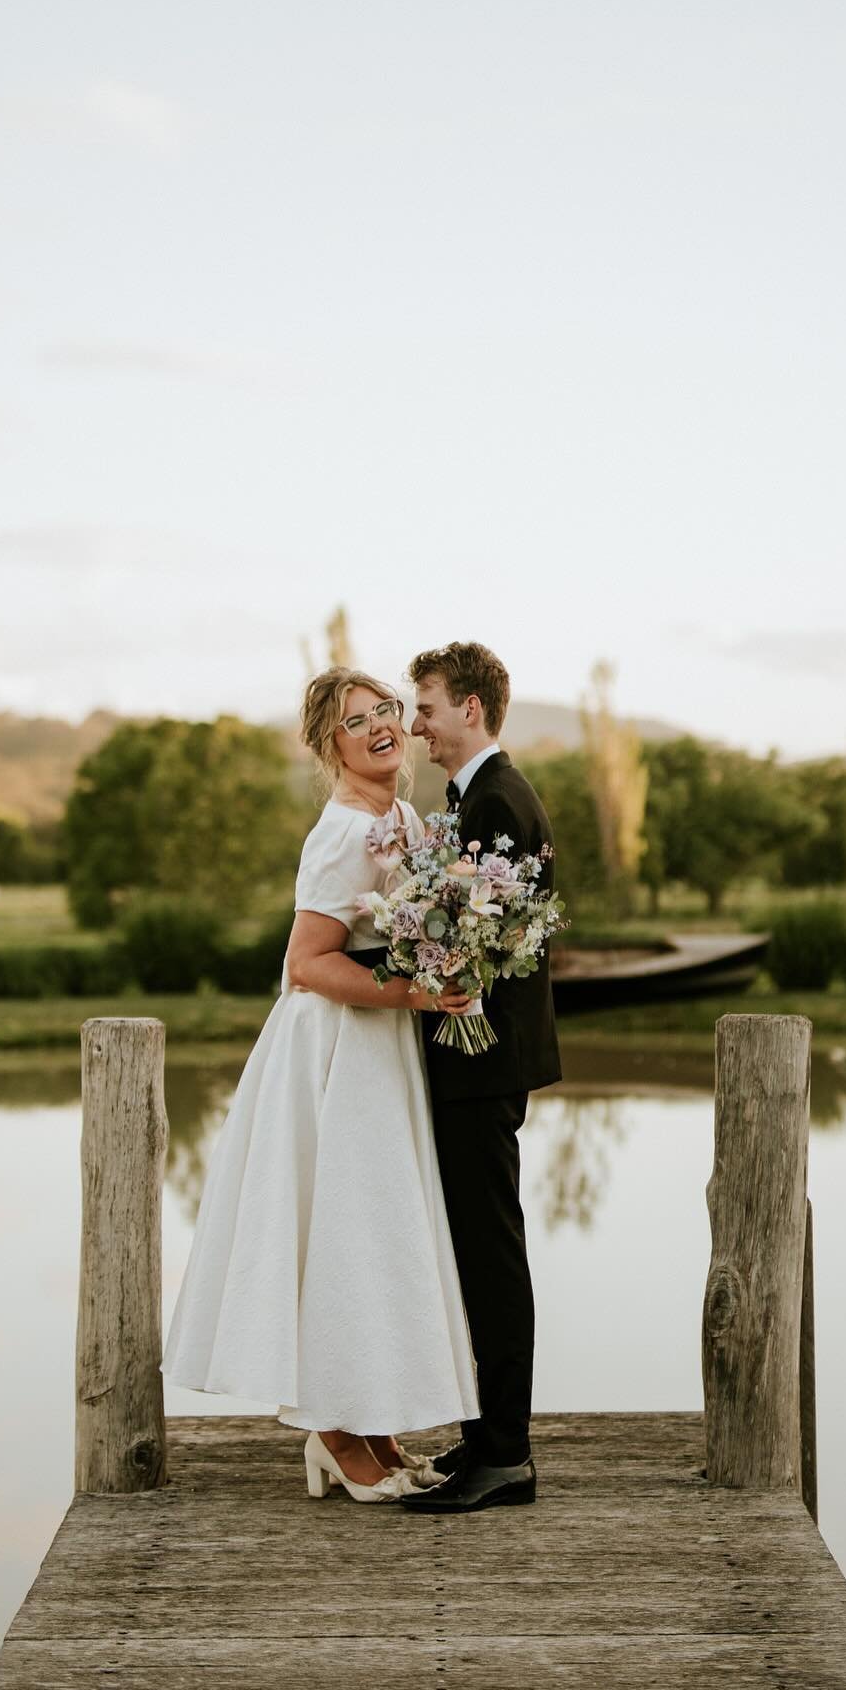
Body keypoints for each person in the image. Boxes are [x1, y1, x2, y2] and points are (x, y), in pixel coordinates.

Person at [160, 668, 479, 1503]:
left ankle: (369, 1423)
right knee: (339, 1227)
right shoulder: (342, 832)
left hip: (377, 1049)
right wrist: (415, 992)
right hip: (335, 1051)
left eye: (385, 711)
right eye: (355, 720)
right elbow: (306, 963)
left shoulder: (403, 818)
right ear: (326, 745)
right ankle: (333, 1434)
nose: (379, 727)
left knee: (370, 1231)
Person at [398, 641, 561, 1515]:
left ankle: (508, 1453)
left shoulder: (497, 803)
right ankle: (487, 1433)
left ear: (470, 708)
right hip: (476, 1059)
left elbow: (484, 944)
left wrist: (415, 952)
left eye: (424, 706)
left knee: (492, 1255)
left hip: (481, 1060)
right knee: (476, 1250)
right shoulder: (474, 799)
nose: (414, 723)